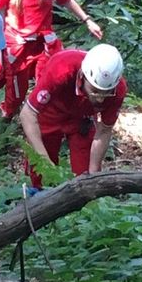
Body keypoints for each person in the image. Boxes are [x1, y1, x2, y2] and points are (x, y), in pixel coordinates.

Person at [19, 44, 126, 190]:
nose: (100, 99)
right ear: (83, 76)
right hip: (52, 110)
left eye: (106, 92)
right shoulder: (61, 69)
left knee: (85, 174)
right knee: (41, 170)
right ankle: (37, 194)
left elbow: (104, 131)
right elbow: (27, 114)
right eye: (95, 91)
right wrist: (45, 163)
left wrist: (93, 176)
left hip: (82, 117)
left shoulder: (118, 91)